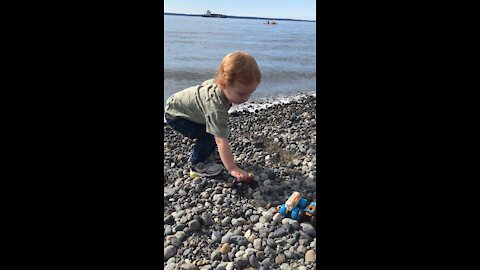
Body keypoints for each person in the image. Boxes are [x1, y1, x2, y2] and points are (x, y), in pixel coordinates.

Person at [164, 51, 261, 181]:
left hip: (182, 107)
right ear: (223, 84)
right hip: (176, 115)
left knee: (212, 128)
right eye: (241, 94)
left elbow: (205, 83)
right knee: (209, 135)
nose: (246, 98)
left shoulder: (219, 85)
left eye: (250, 92)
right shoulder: (216, 108)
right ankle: (198, 166)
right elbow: (221, 140)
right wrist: (232, 168)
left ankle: (209, 154)